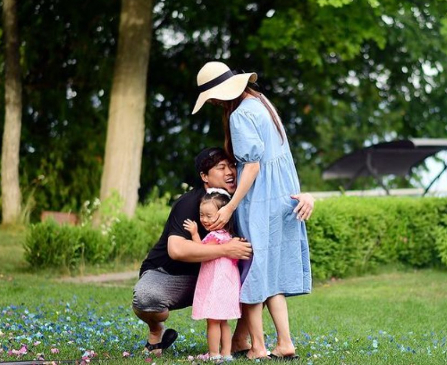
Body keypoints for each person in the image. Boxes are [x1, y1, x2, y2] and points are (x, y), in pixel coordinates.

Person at [132, 147, 314, 357]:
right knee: (146, 297)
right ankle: (156, 331)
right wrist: (225, 249)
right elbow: (176, 249)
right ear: (204, 176)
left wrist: (306, 197)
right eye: (221, 167)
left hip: (218, 276)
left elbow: (275, 202)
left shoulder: (241, 200)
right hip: (172, 275)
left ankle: (238, 340)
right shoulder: (191, 202)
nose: (230, 172)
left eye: (232, 166)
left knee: (257, 275)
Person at [192, 61, 312, 360]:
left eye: (214, 97)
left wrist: (231, 206)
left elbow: (253, 165)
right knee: (270, 271)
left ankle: (257, 345)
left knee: (255, 270)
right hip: (284, 191)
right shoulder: (261, 101)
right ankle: (283, 342)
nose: (216, 102)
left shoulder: (240, 114)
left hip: (262, 197)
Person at [183, 189, 241, 362]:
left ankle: (214, 354)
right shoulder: (228, 236)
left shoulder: (214, 236)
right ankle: (226, 354)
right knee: (223, 321)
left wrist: (194, 233)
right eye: (202, 215)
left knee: (213, 321)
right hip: (227, 284)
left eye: (209, 216)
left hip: (216, 285)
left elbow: (200, 249)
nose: (204, 219)